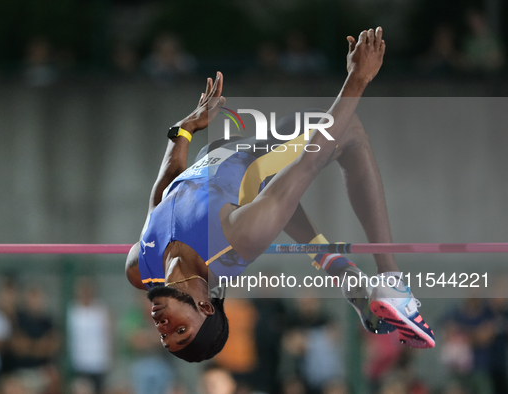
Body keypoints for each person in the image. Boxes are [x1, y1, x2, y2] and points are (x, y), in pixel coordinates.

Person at [125, 27, 435, 363]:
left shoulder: (140, 269)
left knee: (272, 193)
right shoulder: (234, 240)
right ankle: (390, 280)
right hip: (254, 164)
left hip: (231, 160)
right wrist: (357, 80)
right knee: (349, 130)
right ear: (203, 306)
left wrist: (183, 131)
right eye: (180, 332)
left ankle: (338, 268)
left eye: (164, 337)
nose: (164, 327)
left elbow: (163, 196)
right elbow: (309, 161)